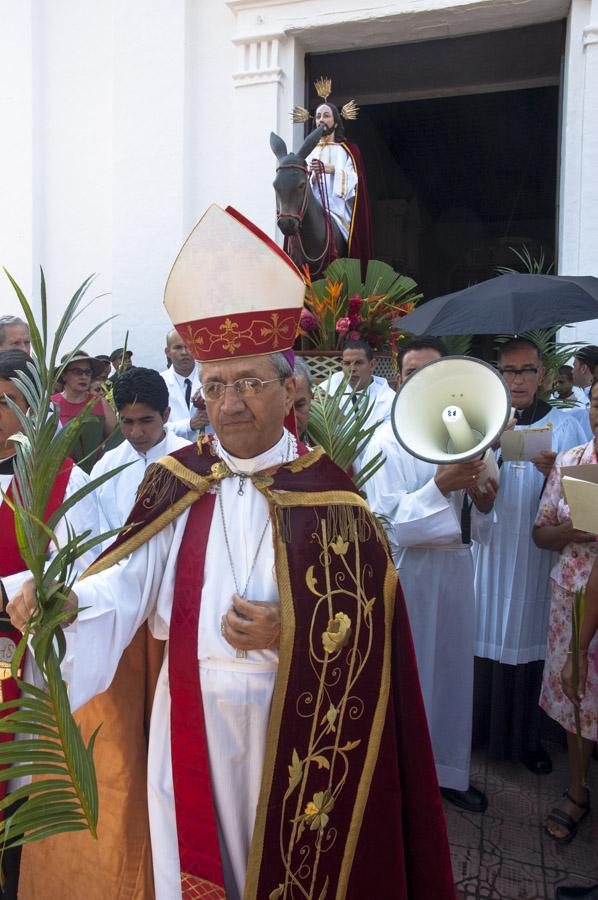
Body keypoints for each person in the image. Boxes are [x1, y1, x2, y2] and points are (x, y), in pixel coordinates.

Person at [8, 204, 455, 900]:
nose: (233, 404)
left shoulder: (335, 502)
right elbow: (126, 584)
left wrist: (297, 630)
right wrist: (67, 599)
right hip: (188, 722)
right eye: (217, 387)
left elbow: (379, 633)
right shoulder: (173, 484)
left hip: (300, 731)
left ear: (289, 390)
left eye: (250, 383)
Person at [18, 368, 191, 900]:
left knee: (169, 754)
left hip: (170, 624)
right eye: (128, 421)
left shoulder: (193, 465)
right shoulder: (96, 471)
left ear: (167, 416)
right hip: (109, 620)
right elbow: (77, 546)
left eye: (147, 421)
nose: (136, 432)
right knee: (114, 752)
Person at [362, 337, 497, 813]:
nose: (420, 381)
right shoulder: (384, 441)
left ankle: (449, 772)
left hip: (458, 571)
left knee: (453, 671)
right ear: (399, 379)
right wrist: (439, 486)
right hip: (410, 576)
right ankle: (405, 776)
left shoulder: (468, 431)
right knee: (412, 675)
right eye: (412, 372)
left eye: (431, 373)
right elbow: (387, 524)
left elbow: (484, 513)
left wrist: (482, 500)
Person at [0, 349, 97, 900]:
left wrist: (14, 591)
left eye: (4, 402)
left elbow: (87, 570)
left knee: (22, 788)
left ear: (32, 406)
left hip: (30, 659)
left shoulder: (63, 480)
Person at [473, 338, 586, 773]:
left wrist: (556, 472)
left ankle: (529, 739)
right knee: (486, 630)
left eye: (526, 370)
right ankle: (479, 731)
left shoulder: (568, 425)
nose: (517, 379)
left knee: (532, 636)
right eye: (508, 370)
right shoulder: (484, 423)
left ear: (542, 374)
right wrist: (489, 452)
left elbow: (584, 503)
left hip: (539, 557)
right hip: (493, 550)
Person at [532, 378, 598, 844]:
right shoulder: (573, 462)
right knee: (578, 694)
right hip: (572, 590)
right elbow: (541, 533)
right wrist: (569, 534)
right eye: (597, 404)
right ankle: (577, 787)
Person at [323, 339, 396, 471]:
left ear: (372, 365)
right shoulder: (329, 387)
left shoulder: (389, 400)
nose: (352, 369)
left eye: (359, 363)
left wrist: (341, 419)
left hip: (375, 472)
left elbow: (379, 445)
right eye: (347, 363)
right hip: (336, 470)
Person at [51, 350, 117, 473]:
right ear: (64, 375)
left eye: (88, 372)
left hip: (94, 475)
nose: (84, 376)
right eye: (77, 372)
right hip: (59, 475)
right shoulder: (51, 405)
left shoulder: (100, 403)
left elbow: (116, 442)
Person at [160, 329, 208, 440]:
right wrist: (189, 425)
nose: (184, 352)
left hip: (211, 449)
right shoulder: (159, 382)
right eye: (178, 348)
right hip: (174, 453)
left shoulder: (211, 377)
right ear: (167, 352)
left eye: (188, 346)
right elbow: (156, 426)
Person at [292, 356, 313, 441]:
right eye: (281, 407)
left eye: (299, 406)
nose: (292, 420)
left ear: (311, 398)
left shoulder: (328, 447)